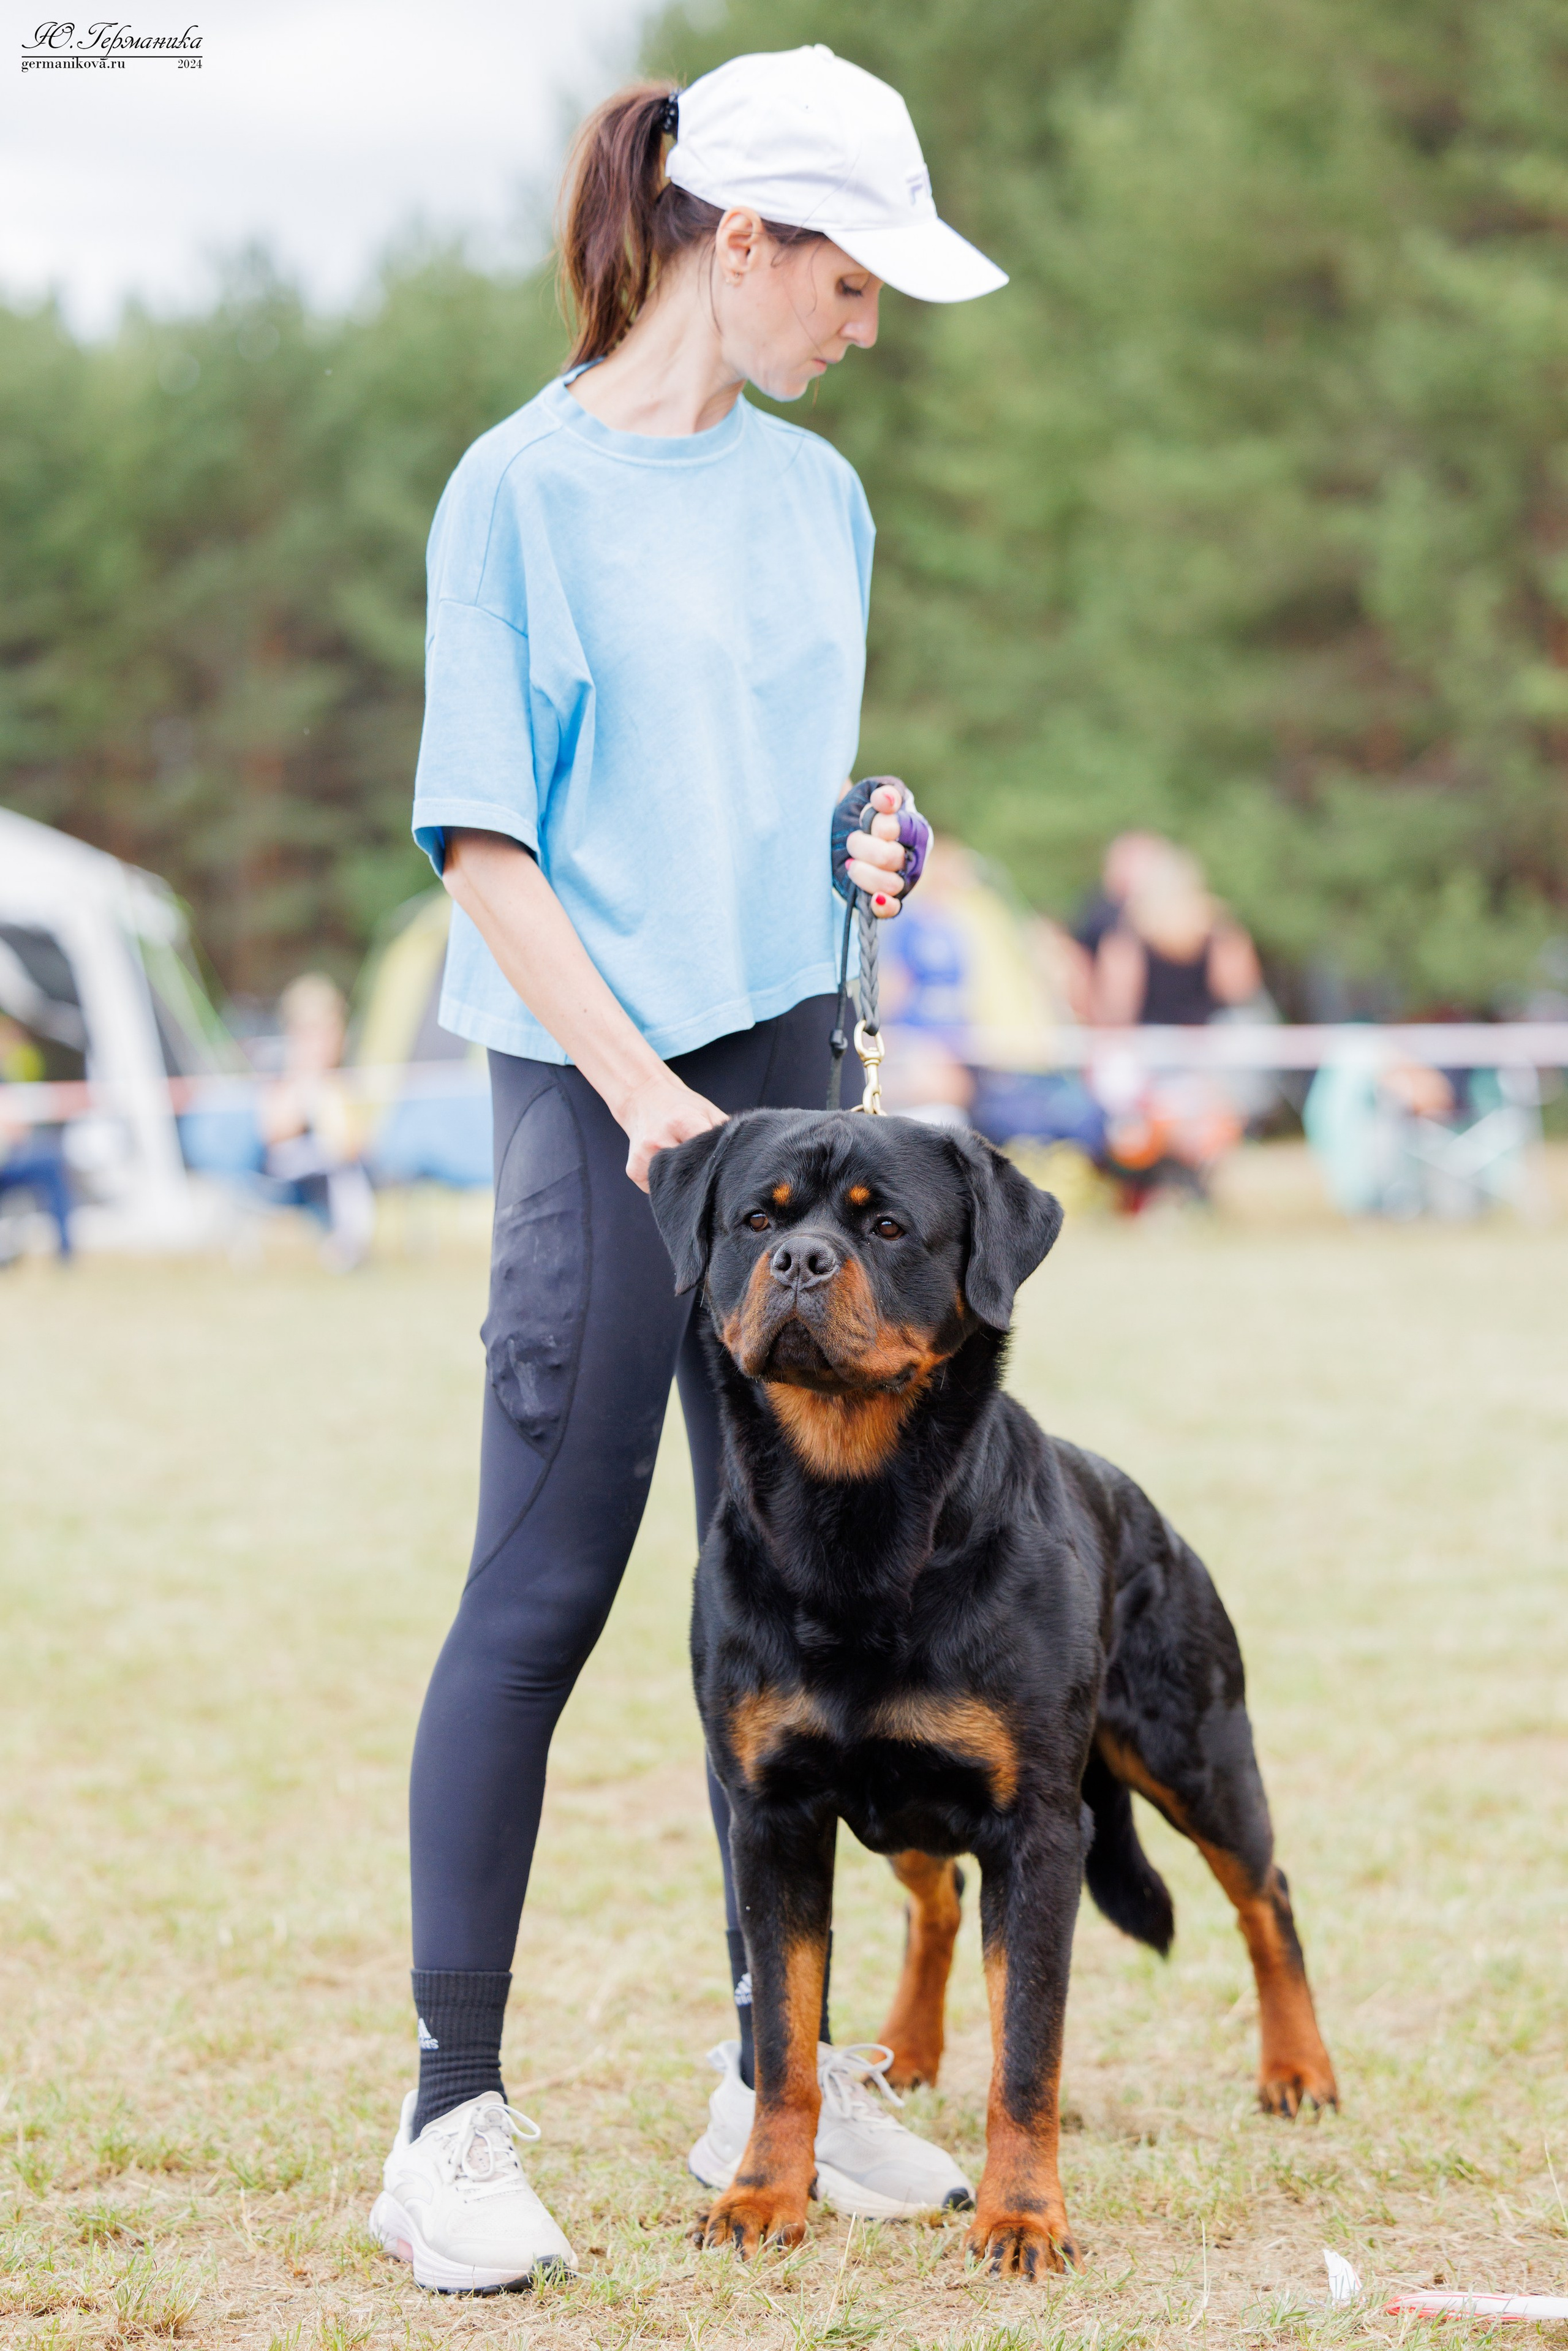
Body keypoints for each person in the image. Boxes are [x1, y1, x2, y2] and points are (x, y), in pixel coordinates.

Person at [368, 47, 1011, 2295]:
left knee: (817, 1588)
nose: (863, 326)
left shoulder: (820, 501)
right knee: (542, 1580)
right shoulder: (511, 493)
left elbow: (786, 781)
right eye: (845, 281)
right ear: (732, 241)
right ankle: (448, 2113)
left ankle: (783, 2065)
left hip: (778, 1073)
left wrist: (872, 839)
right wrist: (646, 1093)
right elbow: (482, 840)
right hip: (588, 1086)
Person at [258, 974, 375, 1270]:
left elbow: (355, 1143)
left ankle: (348, 1246)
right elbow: (274, 1133)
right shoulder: (281, 1076)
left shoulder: (343, 1083)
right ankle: (346, 1246)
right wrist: (307, 1092)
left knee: (342, 1167)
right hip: (288, 1171)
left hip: (335, 1169)